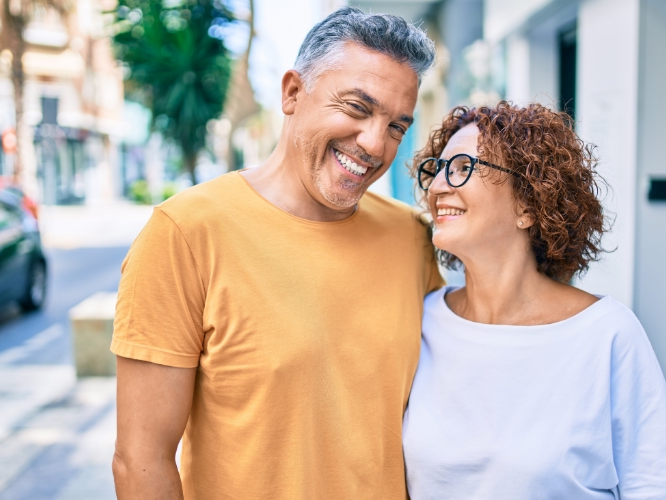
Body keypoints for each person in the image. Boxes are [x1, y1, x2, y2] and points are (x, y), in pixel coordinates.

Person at [111, 7, 443, 500]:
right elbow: (141, 459)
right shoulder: (184, 234)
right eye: (356, 107)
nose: (375, 143)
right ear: (292, 93)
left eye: (396, 126)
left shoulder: (411, 236)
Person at [402, 103, 666, 499]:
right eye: (437, 170)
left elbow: (660, 488)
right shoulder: (422, 322)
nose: (438, 186)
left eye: (462, 167)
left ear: (527, 205)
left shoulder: (605, 334)